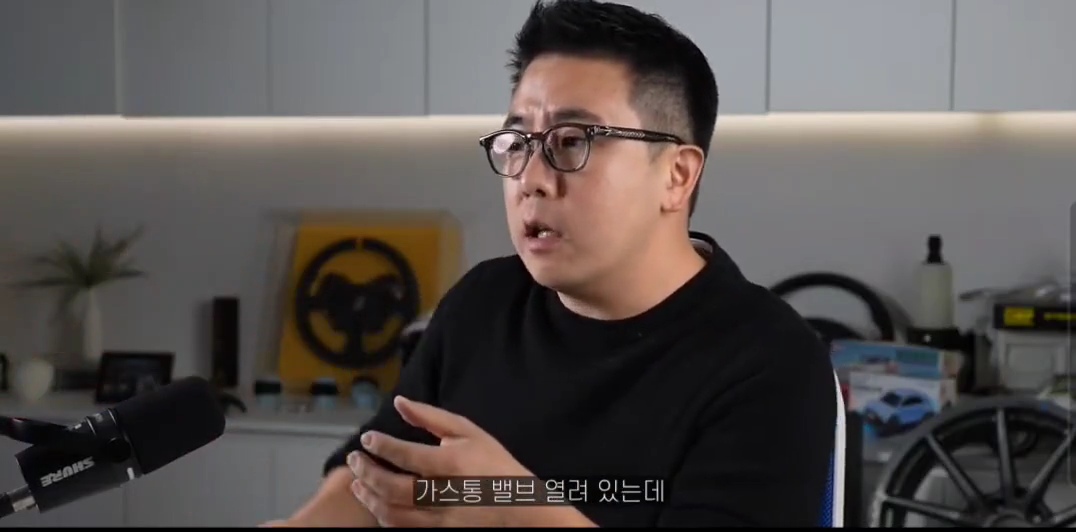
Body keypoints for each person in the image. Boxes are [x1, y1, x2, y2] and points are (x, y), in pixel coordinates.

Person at [263, 0, 836, 527]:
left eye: (571, 142)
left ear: (676, 175)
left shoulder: (769, 360)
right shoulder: (483, 302)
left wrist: (513, 507)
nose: (531, 179)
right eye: (518, 142)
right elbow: (380, 475)